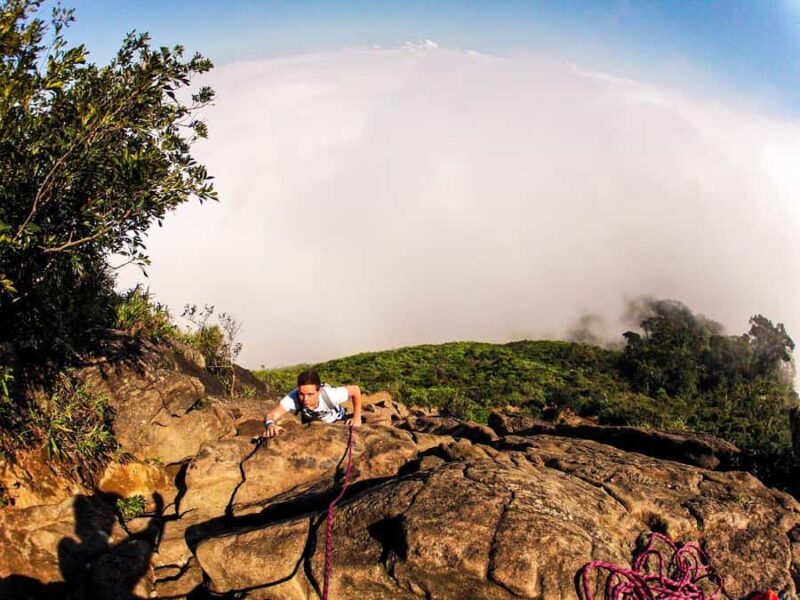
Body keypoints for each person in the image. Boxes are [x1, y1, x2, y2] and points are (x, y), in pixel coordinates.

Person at [264, 369, 362, 437]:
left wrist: (357, 417)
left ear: (319, 391)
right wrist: (270, 424)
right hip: (311, 425)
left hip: (336, 420)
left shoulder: (331, 395)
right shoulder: (293, 397)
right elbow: (271, 414)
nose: (305, 399)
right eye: (301, 394)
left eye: (310, 394)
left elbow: (355, 390)